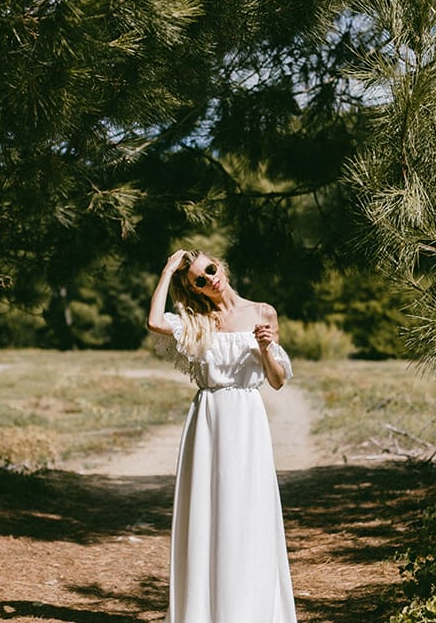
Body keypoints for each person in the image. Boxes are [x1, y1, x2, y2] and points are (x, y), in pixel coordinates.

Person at [147, 249, 297, 623]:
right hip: (209, 419)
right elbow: (153, 322)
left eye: (210, 269)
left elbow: (277, 381)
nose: (209, 279)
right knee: (208, 510)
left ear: (221, 266)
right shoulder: (197, 321)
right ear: (194, 289)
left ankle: (250, 610)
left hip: (248, 420)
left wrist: (264, 348)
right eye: (199, 279)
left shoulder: (264, 312)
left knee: (249, 510)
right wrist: (167, 271)